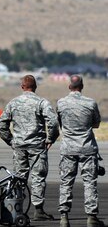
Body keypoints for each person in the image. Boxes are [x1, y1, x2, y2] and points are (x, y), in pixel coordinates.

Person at [0, 74, 60, 221]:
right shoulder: (41, 102)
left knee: (19, 178)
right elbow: (53, 122)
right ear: (35, 87)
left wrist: (11, 141)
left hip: (19, 146)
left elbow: (1, 124)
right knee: (38, 177)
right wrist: (50, 139)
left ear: (22, 87)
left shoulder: (13, 103)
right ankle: (38, 210)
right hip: (37, 145)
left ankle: (17, 209)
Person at [56, 75, 103, 227]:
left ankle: (64, 217)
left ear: (70, 86)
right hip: (87, 148)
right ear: (82, 86)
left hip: (68, 149)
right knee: (90, 183)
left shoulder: (61, 103)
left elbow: (59, 122)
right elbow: (96, 124)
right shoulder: (90, 103)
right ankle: (91, 217)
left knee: (66, 182)